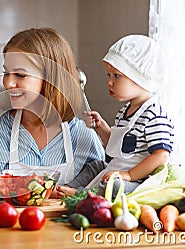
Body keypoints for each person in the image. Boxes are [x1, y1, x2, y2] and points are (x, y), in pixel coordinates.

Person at [0, 28, 105, 201]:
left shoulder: (85, 139)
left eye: (20, 75)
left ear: (51, 78)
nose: (8, 83)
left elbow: (100, 204)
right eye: (6, 73)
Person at [56, 34, 174, 197]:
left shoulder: (154, 114)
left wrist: (130, 175)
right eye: (108, 75)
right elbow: (118, 148)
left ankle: (79, 194)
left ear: (139, 77)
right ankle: (66, 188)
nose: (109, 82)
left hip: (138, 180)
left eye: (117, 76)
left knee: (116, 186)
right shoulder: (125, 111)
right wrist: (101, 127)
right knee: (96, 165)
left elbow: (161, 155)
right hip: (118, 169)